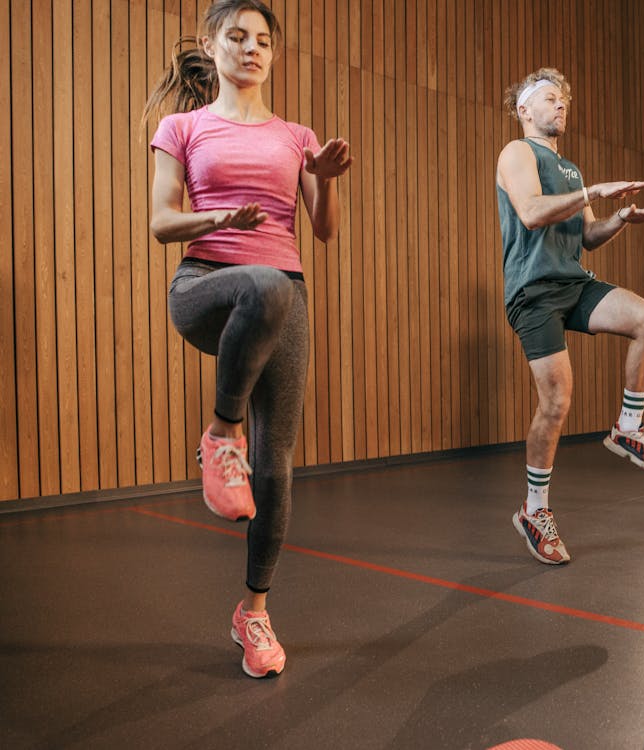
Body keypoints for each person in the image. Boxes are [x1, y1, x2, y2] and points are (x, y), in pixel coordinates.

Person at [144, 0, 352, 677]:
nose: (251, 48)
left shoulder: (295, 136)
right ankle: (220, 433)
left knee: (276, 468)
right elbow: (161, 222)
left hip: (285, 294)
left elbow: (321, 231)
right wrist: (216, 217)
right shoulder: (183, 126)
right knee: (262, 285)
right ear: (212, 44)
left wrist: (320, 181)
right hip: (206, 287)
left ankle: (253, 613)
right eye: (236, 36)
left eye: (263, 40)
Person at [496, 68, 644, 565]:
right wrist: (594, 193)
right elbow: (531, 212)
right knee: (557, 402)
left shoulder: (570, 169)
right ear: (524, 110)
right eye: (550, 99)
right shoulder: (517, 153)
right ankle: (534, 511)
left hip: (573, 283)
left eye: (564, 101)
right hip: (533, 292)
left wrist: (619, 218)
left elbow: (587, 236)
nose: (560, 106)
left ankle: (628, 427)